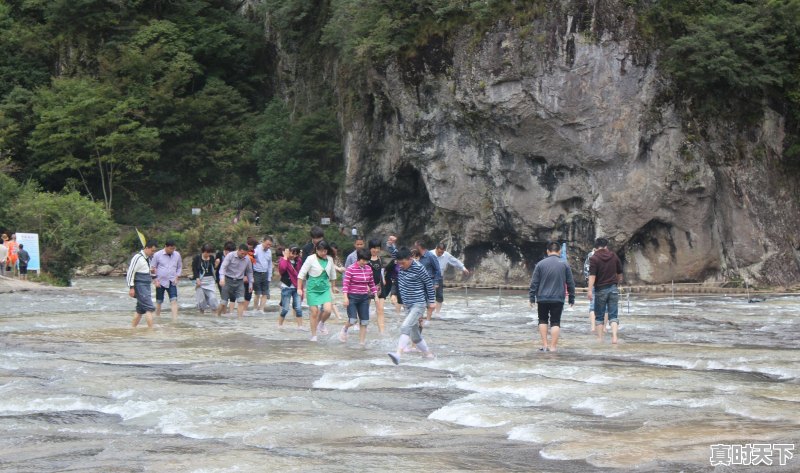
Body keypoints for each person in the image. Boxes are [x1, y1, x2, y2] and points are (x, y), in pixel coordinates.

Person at [387, 247, 436, 365]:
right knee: (415, 337)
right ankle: (429, 355)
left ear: (410, 259)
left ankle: (398, 354)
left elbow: (429, 284)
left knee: (405, 327)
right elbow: (395, 254)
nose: (401, 266)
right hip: (407, 305)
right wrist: (391, 245)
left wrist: (432, 301)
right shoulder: (401, 263)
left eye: (403, 263)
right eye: (399, 263)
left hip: (418, 304)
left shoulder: (419, 268)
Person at [529, 242, 576, 352]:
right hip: (558, 298)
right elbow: (570, 283)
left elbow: (534, 283)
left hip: (542, 298)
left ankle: (545, 345)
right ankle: (553, 347)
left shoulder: (540, 264)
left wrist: (532, 297)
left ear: (547, 251)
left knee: (542, 320)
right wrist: (571, 298)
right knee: (555, 322)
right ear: (559, 251)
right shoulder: (565, 264)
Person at [298, 240, 337, 342]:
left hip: (325, 289)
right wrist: (299, 288)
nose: (323, 253)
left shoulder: (330, 259)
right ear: (316, 250)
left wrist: (333, 286)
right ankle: (314, 335)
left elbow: (333, 274)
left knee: (328, 310)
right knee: (314, 312)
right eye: (321, 251)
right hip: (312, 289)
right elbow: (301, 274)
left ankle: (321, 324)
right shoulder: (311, 259)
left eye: (325, 251)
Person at [588, 237, 624, 344]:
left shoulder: (594, 258)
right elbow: (620, 273)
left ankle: (600, 338)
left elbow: (592, 275)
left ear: (595, 247)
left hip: (600, 289)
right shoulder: (613, 255)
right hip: (613, 288)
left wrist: (590, 290)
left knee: (599, 315)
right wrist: (616, 282)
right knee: (613, 315)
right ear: (606, 246)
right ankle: (614, 337)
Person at [339, 249, 378, 346]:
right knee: (353, 320)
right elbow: (345, 284)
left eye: (367, 261)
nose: (365, 263)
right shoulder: (350, 269)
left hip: (364, 297)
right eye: (363, 260)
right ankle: (345, 328)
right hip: (352, 297)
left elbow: (372, 283)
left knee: (364, 321)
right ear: (358, 259)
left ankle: (361, 343)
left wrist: (376, 296)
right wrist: (345, 298)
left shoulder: (368, 269)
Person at [126, 240, 158, 328]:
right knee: (149, 308)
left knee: (140, 310)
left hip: (146, 285)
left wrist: (151, 272)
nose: (153, 253)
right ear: (146, 248)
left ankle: (132, 328)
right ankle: (151, 330)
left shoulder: (148, 258)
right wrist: (131, 288)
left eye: (154, 251)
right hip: (140, 285)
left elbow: (143, 270)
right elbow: (130, 273)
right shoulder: (138, 257)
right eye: (152, 250)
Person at [219, 243, 255, 318]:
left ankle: (239, 320)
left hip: (239, 282)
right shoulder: (230, 256)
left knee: (241, 301)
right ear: (238, 250)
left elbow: (249, 272)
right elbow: (223, 267)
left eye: (245, 254)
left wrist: (251, 284)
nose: (243, 255)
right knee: (223, 302)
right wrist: (222, 278)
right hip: (228, 280)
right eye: (242, 253)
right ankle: (217, 316)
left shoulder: (247, 259)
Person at [434, 243, 470, 314]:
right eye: (439, 252)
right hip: (429, 277)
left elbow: (455, 261)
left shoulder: (446, 255)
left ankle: (437, 313)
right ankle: (425, 313)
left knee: (440, 296)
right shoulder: (430, 254)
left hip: (439, 277)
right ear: (436, 249)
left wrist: (463, 268)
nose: (440, 254)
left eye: (442, 252)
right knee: (427, 295)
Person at [152, 240, 182, 320]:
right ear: (165, 246)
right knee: (159, 301)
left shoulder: (177, 255)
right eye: (170, 248)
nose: (172, 250)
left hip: (172, 281)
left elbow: (179, 267)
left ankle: (175, 320)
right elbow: (153, 267)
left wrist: (177, 276)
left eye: (173, 248)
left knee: (174, 300)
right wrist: (155, 280)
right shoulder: (157, 255)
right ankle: (157, 318)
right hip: (160, 281)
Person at [414, 240, 441, 324]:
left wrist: (436, 282)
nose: (414, 248)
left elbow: (438, 269)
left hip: (430, 282)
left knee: (430, 302)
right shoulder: (417, 256)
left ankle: (428, 320)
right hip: (419, 283)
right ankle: (420, 319)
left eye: (416, 246)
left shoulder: (430, 256)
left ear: (419, 247)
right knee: (420, 301)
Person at [278, 245, 304, 328]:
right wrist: (285, 257)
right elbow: (282, 269)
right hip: (286, 287)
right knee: (285, 309)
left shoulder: (299, 261)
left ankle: (300, 326)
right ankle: (280, 325)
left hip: (297, 287)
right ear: (288, 252)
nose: (294, 256)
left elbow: (302, 271)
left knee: (298, 308)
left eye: (296, 254)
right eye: (293, 253)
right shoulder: (283, 260)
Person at [191, 244, 219, 314]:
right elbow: (194, 269)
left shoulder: (212, 257)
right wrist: (197, 279)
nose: (208, 254)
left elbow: (213, 268)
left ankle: (215, 315)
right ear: (203, 251)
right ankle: (201, 316)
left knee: (213, 298)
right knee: (201, 300)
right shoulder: (197, 258)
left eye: (209, 252)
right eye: (207, 252)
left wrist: (216, 264)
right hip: (200, 280)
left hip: (210, 281)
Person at [366, 239, 387, 333]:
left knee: (380, 309)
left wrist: (384, 280)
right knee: (365, 309)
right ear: (370, 248)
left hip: (380, 287)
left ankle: (381, 331)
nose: (376, 250)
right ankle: (361, 327)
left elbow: (381, 271)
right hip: (368, 286)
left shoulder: (380, 259)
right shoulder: (366, 259)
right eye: (374, 248)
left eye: (378, 248)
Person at [215, 241, 237, 316]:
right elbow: (215, 268)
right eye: (228, 251)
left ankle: (231, 313)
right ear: (225, 249)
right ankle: (223, 313)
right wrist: (216, 264)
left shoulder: (234, 256)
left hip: (232, 277)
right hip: (221, 277)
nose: (229, 253)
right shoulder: (219, 254)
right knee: (224, 296)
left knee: (233, 296)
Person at [253, 236, 274, 313]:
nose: (268, 246)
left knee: (265, 293)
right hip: (256, 273)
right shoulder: (256, 249)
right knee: (257, 293)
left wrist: (269, 277)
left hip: (265, 273)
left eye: (270, 245)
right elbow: (251, 261)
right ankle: (255, 309)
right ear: (263, 241)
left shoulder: (269, 252)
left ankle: (261, 309)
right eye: (267, 244)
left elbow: (269, 265)